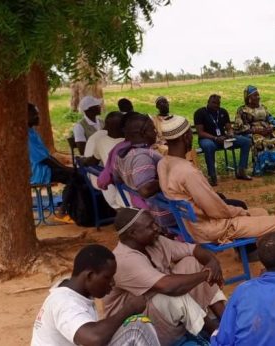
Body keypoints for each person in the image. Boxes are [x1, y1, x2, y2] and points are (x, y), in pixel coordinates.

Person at [155, 115, 275, 274]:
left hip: (193, 226)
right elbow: (216, 210)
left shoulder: (163, 163)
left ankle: (270, 268)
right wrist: (239, 212)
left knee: (261, 213)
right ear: (186, 136)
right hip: (212, 227)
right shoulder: (187, 172)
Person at [103, 208, 228, 346]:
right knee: (173, 295)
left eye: (154, 223)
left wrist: (212, 263)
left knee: (192, 262)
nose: (157, 228)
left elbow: (193, 249)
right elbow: (169, 287)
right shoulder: (124, 260)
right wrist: (207, 274)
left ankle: (226, 324)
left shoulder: (154, 241)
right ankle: (217, 336)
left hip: (156, 311)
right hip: (133, 327)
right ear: (133, 233)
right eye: (150, 226)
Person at [31, 244, 159, 346]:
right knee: (137, 328)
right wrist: (128, 309)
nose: (112, 283)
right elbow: (94, 339)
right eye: (107, 277)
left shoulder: (74, 290)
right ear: (90, 276)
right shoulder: (65, 302)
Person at [112, 114, 174, 227]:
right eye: (153, 129)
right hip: (166, 216)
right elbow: (145, 190)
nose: (156, 132)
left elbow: (116, 178)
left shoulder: (121, 154)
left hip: (145, 209)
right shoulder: (143, 157)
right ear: (143, 133)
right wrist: (169, 178)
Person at [234, 85, 275, 177]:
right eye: (255, 95)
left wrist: (272, 127)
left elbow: (271, 119)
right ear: (249, 98)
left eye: (258, 95)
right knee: (265, 143)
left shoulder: (263, 107)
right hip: (254, 133)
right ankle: (274, 167)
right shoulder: (242, 110)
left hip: (267, 130)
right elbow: (238, 126)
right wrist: (256, 130)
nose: (258, 97)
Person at [194, 94, 253, 186]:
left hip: (223, 139)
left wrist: (230, 133)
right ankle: (212, 176)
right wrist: (215, 138)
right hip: (208, 139)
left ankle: (241, 170)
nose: (216, 105)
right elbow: (200, 132)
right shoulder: (200, 113)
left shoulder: (223, 112)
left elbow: (228, 127)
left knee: (246, 141)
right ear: (208, 102)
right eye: (213, 103)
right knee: (209, 146)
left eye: (218, 103)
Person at [81, 111, 128, 208]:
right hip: (126, 189)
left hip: (112, 189)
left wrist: (83, 161)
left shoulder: (100, 141)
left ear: (106, 126)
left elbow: (93, 160)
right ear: (124, 127)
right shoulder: (128, 142)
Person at [28, 103, 74, 185]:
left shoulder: (32, 132)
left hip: (45, 168)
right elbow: (43, 160)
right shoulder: (27, 136)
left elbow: (48, 156)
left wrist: (64, 167)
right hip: (40, 173)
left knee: (75, 175)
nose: (38, 117)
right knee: (73, 176)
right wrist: (64, 168)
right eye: (34, 115)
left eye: (38, 114)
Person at [152, 96, 197, 163]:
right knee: (167, 150)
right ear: (157, 107)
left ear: (168, 104)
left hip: (177, 143)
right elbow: (155, 138)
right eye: (161, 103)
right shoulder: (154, 121)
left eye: (165, 102)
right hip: (162, 145)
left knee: (190, 151)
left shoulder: (176, 119)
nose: (164, 104)